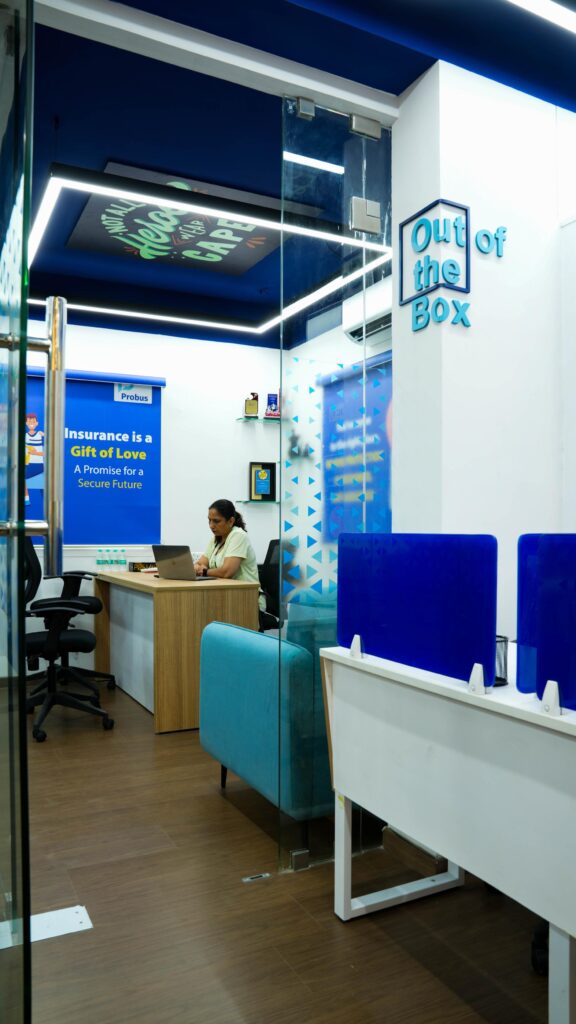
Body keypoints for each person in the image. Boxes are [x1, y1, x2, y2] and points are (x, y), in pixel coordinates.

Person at [194, 499, 265, 609]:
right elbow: (199, 563)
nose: (211, 525)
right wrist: (198, 567)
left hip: (247, 599)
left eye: (216, 521)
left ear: (231, 521)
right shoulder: (216, 539)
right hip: (227, 595)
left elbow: (227, 572)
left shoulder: (238, 535)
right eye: (209, 520)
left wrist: (204, 571)